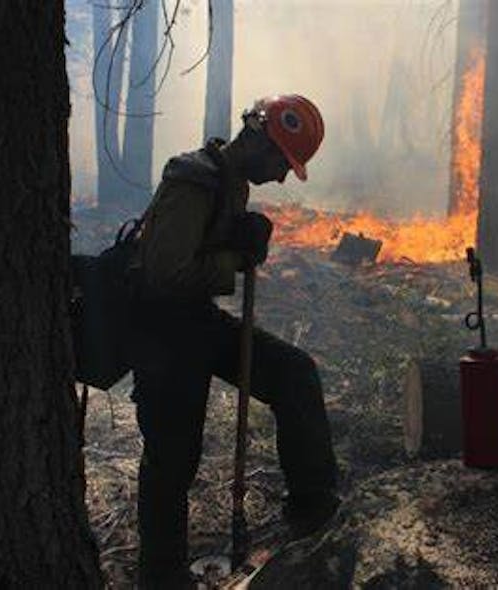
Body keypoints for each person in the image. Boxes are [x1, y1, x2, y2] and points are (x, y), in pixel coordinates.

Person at [128, 95, 339, 587]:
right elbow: (166, 273)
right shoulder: (193, 178)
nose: (284, 177)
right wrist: (233, 258)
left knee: (293, 373)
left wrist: (236, 245)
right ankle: (159, 578)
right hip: (161, 333)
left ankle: (314, 512)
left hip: (195, 323)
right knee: (172, 457)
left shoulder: (229, 183)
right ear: (261, 139)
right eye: (283, 163)